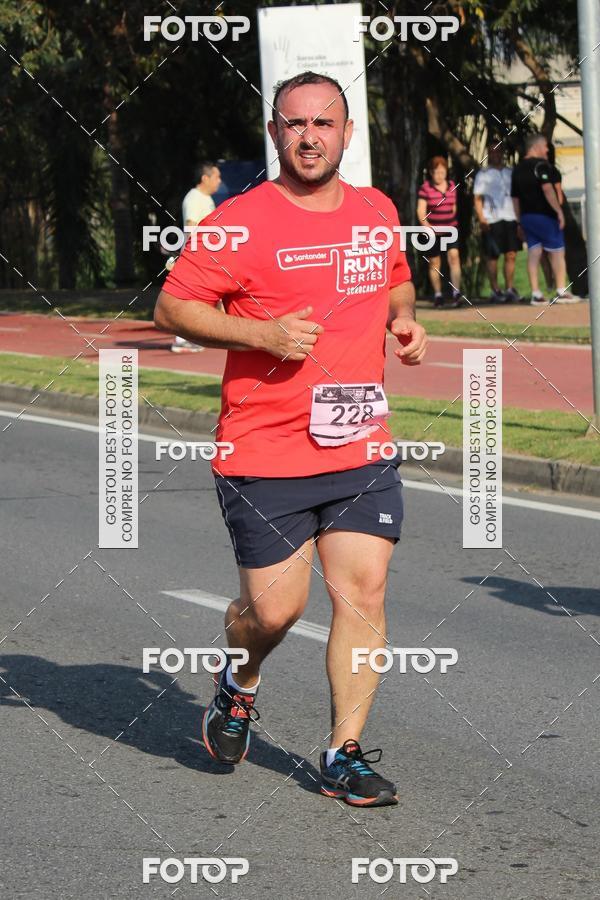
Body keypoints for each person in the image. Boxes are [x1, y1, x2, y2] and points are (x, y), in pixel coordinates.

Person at [154, 71, 427, 808]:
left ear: (346, 132)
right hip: (265, 451)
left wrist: (402, 318)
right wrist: (261, 334)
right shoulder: (238, 222)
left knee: (363, 593)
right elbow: (171, 307)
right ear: (275, 133)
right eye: (295, 123)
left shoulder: (375, 210)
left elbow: (396, 278)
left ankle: (343, 754)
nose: (310, 135)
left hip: (360, 445)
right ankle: (239, 680)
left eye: (325, 123)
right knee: (273, 612)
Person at [511, 134, 580, 305]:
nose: (547, 150)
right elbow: (548, 189)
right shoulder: (541, 166)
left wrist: (519, 221)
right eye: (545, 146)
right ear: (535, 147)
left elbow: (515, 199)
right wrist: (559, 211)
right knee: (557, 253)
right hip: (545, 216)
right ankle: (561, 290)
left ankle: (536, 293)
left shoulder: (517, 169)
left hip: (527, 217)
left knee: (534, 253)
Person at [171, 161, 222, 351]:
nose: (219, 181)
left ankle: (198, 335)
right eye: (216, 177)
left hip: (207, 255)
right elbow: (191, 226)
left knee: (206, 299)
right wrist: (194, 256)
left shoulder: (205, 198)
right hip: (198, 256)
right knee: (191, 299)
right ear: (205, 178)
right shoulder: (194, 198)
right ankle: (181, 339)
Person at [473, 144, 522, 302]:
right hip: (492, 219)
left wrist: (520, 218)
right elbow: (477, 198)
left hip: (511, 217)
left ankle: (509, 288)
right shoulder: (484, 174)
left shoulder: (510, 172)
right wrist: (481, 219)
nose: (495, 155)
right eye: (492, 152)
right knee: (492, 256)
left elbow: (517, 196)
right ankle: (495, 289)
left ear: (503, 153)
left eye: (498, 151)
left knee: (511, 254)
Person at [417, 156, 462, 308]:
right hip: (433, 232)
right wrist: (427, 227)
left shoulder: (451, 185)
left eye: (442, 172)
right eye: (436, 172)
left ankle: (456, 292)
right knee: (434, 262)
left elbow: (454, 207)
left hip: (450, 230)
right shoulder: (425, 188)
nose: (439, 175)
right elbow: (421, 211)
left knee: (454, 257)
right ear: (431, 172)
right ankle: (438, 295)